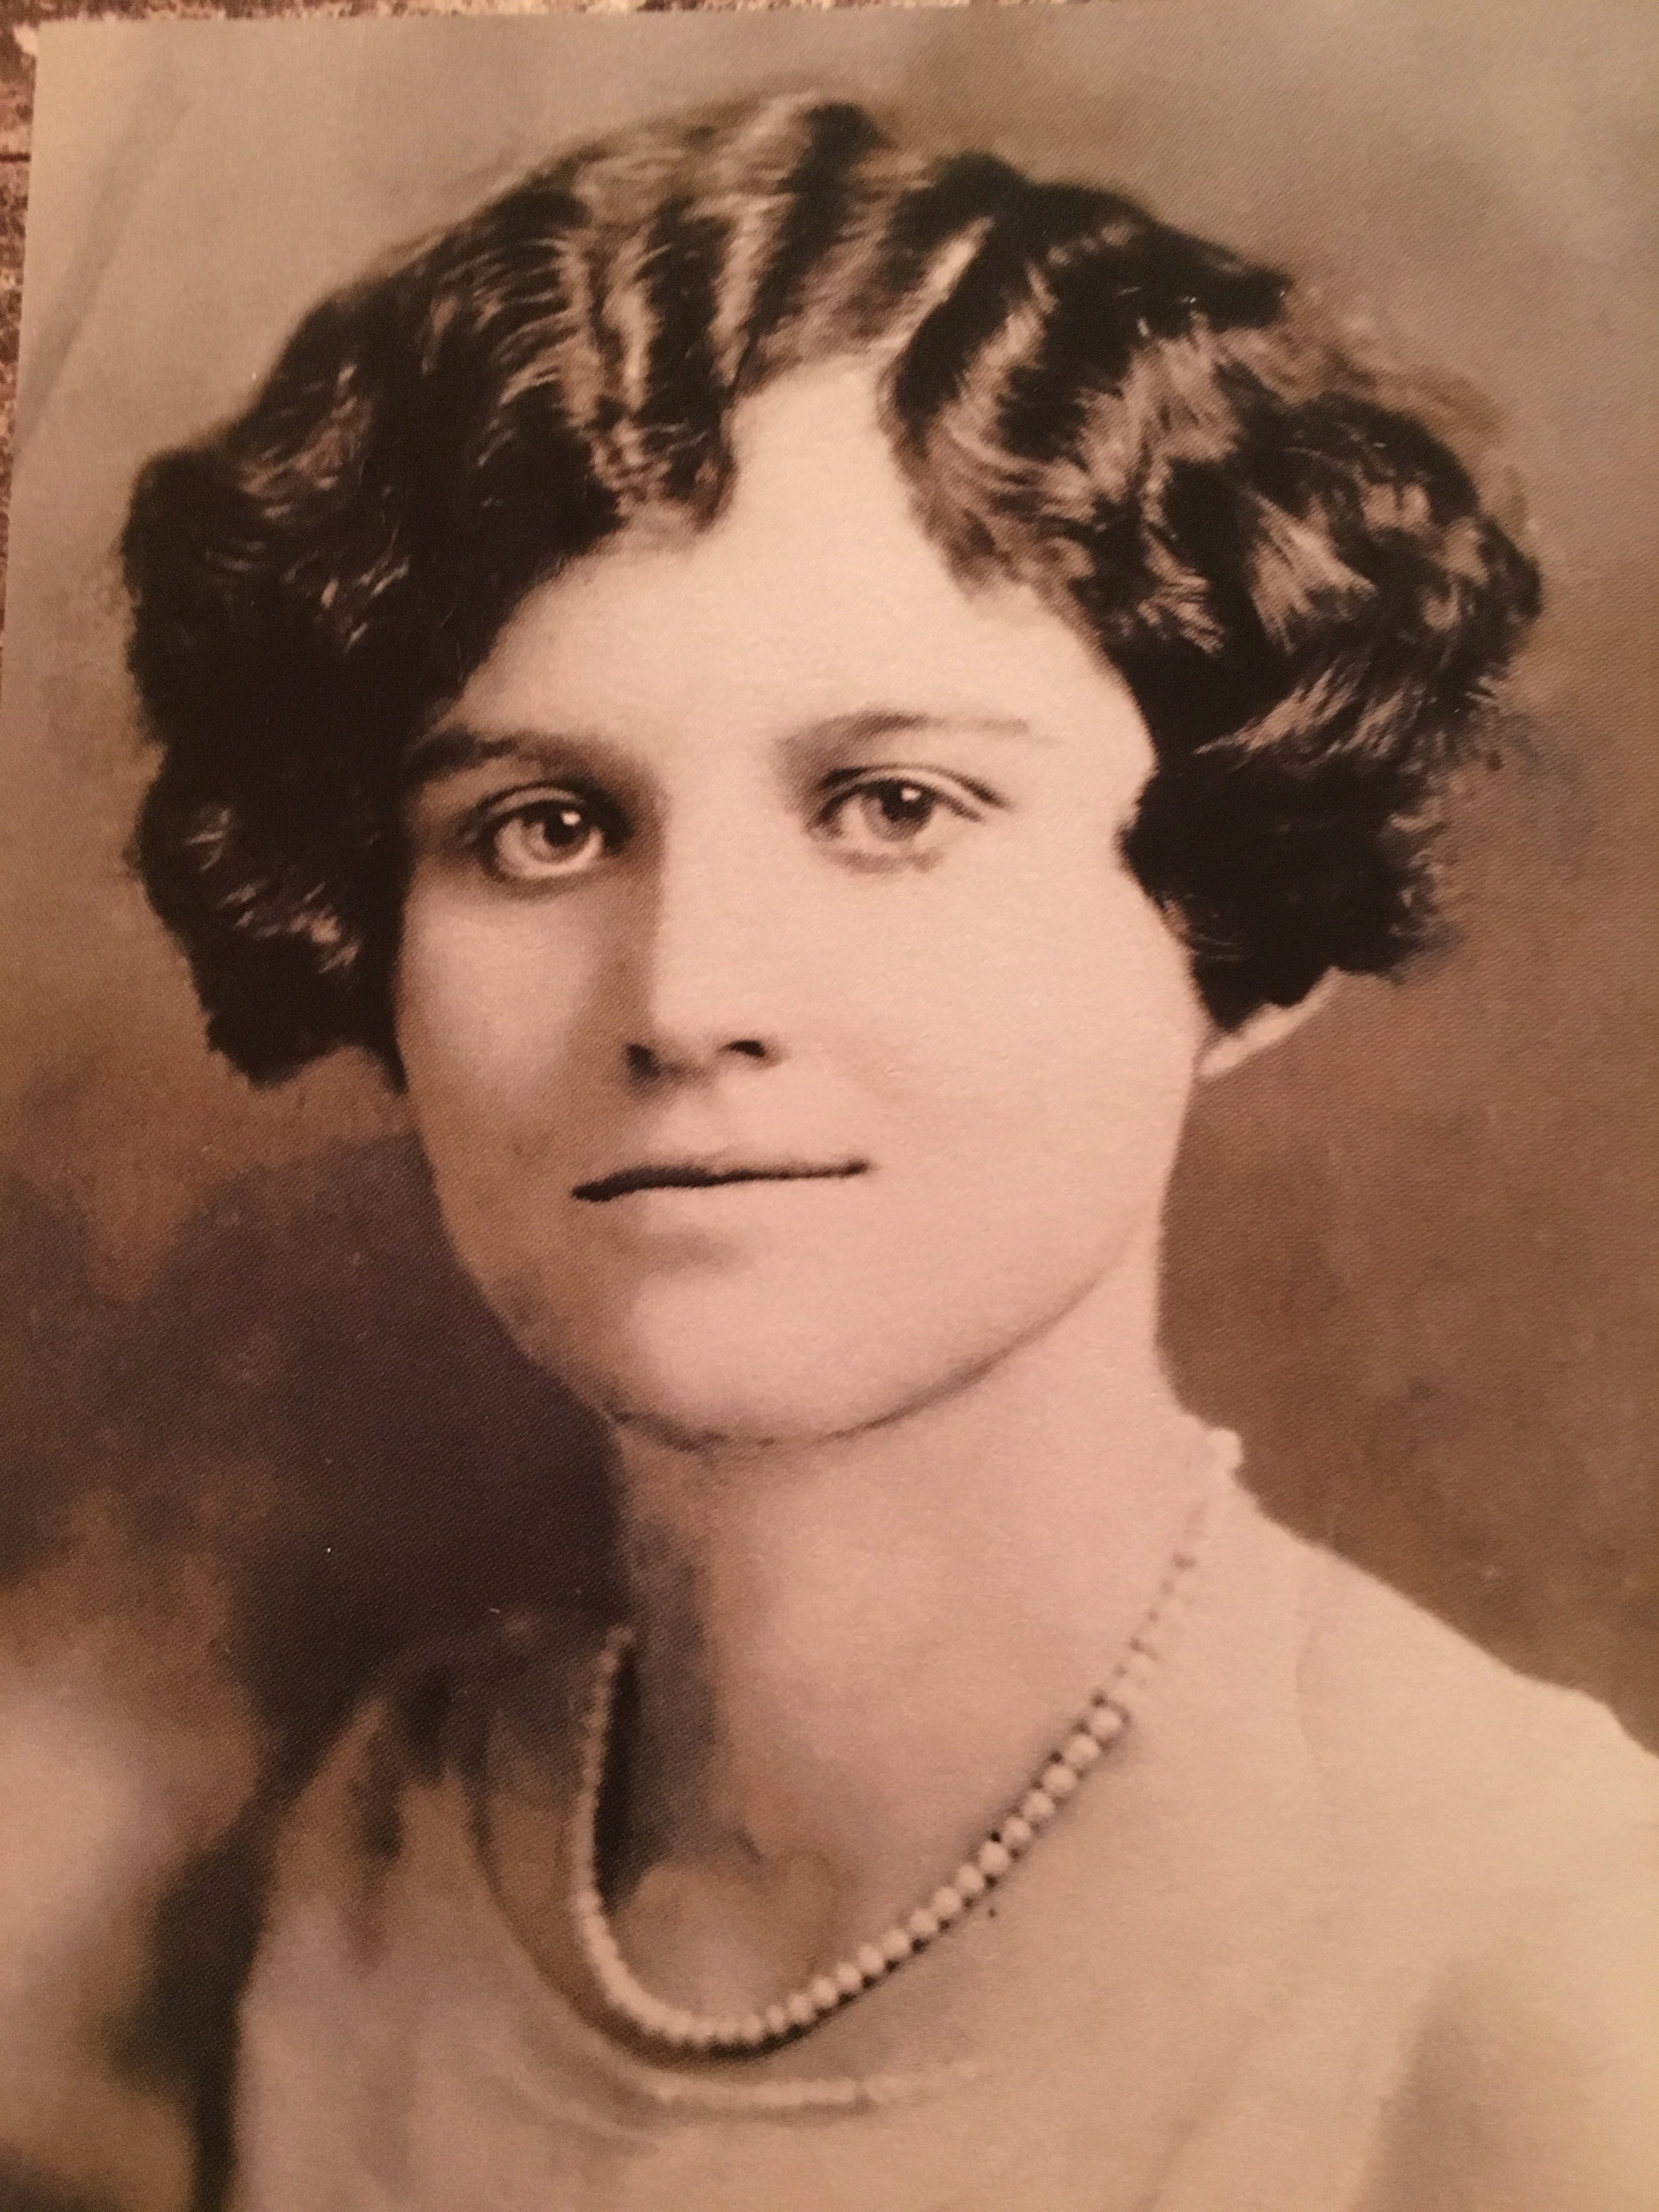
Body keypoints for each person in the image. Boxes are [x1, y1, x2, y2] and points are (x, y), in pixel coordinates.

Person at [115, 93, 1657, 2211]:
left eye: (895, 807)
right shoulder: (377, 1855)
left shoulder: (1543, 1974)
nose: (685, 996)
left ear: (1238, 920)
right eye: (541, 828)